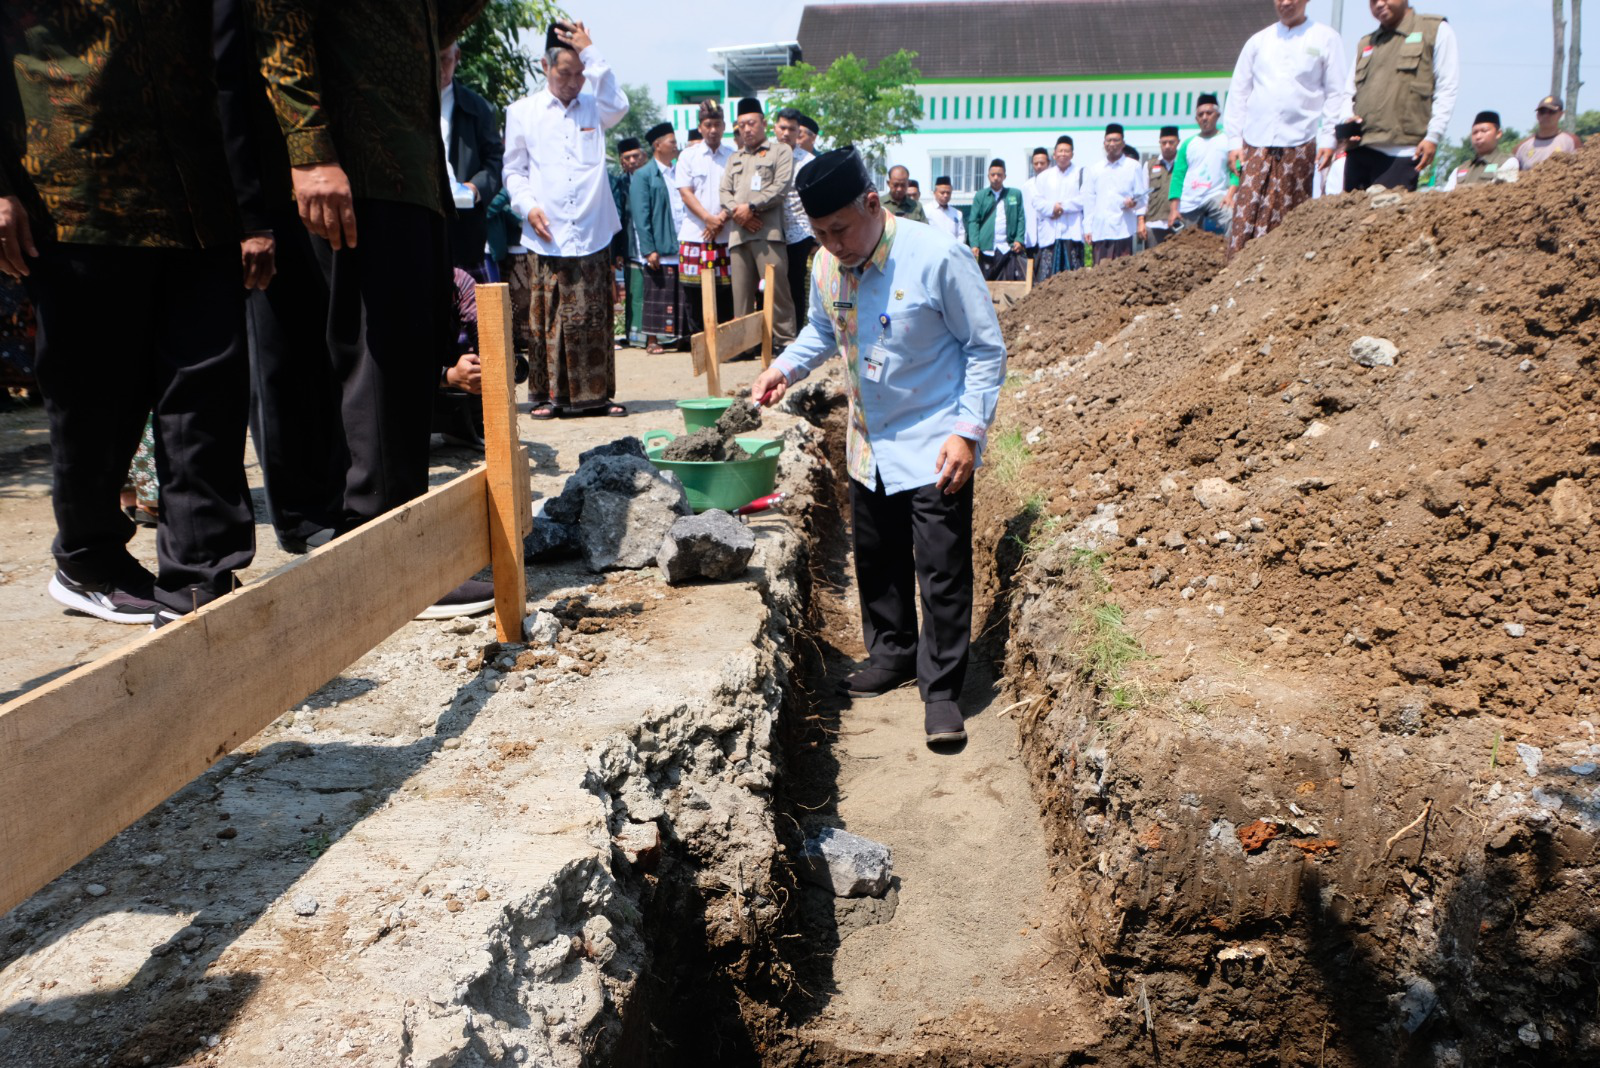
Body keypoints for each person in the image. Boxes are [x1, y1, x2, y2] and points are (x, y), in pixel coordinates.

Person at [2, 0, 257, 626]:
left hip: (198, 191)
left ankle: (199, 580)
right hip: (75, 187)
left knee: (208, 393)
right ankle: (88, 560)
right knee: (96, 400)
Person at [747, 148, 1006, 745]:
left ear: (872, 203)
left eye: (839, 229)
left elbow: (985, 349)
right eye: (820, 233)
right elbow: (820, 329)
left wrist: (969, 431)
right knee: (877, 556)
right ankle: (890, 654)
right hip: (868, 440)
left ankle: (940, 690)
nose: (832, 244)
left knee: (939, 570)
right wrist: (784, 369)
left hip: (936, 440)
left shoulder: (936, 255)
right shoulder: (824, 265)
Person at [252, 0, 496, 617]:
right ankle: (392, 562)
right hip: (355, 170)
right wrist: (309, 149)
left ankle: (382, 540)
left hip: (411, 172)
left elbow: (439, 20)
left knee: (406, 355)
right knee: (378, 357)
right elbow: (280, 24)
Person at [503, 21, 629, 419]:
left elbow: (619, 103)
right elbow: (514, 171)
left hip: (592, 227)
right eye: (564, 73)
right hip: (547, 230)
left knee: (594, 314)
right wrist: (527, 205)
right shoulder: (522, 112)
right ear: (545, 66)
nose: (574, 82)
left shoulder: (596, 106)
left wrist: (591, 53)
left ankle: (598, 396)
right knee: (550, 314)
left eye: (579, 73)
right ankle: (545, 396)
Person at [1223, 0, 1349, 259]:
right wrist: (1234, 141)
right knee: (1245, 219)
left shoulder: (1326, 38)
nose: (1286, 3)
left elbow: (1337, 93)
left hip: (1301, 146)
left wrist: (1329, 138)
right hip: (1256, 145)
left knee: (1291, 223)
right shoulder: (1258, 42)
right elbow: (1238, 93)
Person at [1341, 0, 1459, 193]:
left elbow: (1447, 87)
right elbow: (1349, 92)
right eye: (1372, 1)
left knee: (1387, 220)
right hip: (1361, 150)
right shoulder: (1366, 43)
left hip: (1402, 152)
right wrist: (1347, 120)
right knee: (1351, 220)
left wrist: (1433, 136)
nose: (1379, 4)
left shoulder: (1434, 30)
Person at [720, 97, 797, 349]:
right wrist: (739, 212)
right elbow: (723, 192)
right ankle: (745, 345)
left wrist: (750, 208)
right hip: (739, 236)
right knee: (740, 295)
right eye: (741, 125)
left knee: (776, 291)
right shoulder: (734, 158)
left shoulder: (780, 151)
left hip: (768, 235)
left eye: (751, 123)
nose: (746, 129)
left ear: (764, 123)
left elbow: (781, 187)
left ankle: (784, 341)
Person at [439, 40, 504, 278]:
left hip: (463, 226)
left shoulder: (479, 108)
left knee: (465, 310)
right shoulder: (403, 106)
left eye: (444, 59)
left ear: (457, 56)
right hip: (416, 221)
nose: (438, 68)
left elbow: (495, 160)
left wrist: (475, 187)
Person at [676, 99, 734, 337]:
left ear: (724, 126)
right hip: (695, 235)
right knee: (694, 292)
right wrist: (708, 219)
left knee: (726, 292)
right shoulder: (688, 156)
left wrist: (719, 219)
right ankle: (699, 343)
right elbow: (685, 192)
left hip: (726, 235)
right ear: (700, 127)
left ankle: (725, 345)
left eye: (717, 124)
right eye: (708, 124)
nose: (712, 130)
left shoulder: (734, 155)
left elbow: (739, 192)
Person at [630, 123, 690, 353]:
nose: (676, 146)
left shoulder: (678, 172)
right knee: (655, 293)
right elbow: (640, 214)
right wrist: (648, 249)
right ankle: (652, 340)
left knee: (680, 294)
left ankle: (681, 337)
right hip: (658, 245)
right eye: (672, 142)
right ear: (657, 145)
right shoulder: (644, 175)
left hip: (679, 240)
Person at [774, 107, 817, 325]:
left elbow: (813, 199)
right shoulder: (765, 155)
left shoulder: (807, 160)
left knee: (795, 284)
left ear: (798, 131)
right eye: (782, 127)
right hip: (770, 231)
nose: (786, 133)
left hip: (799, 232)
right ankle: (773, 335)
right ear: (775, 128)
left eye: (792, 129)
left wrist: (816, 237)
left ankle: (796, 333)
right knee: (772, 285)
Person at [1169, 94, 1231, 235]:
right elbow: (1178, 177)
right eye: (1200, 114)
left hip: (1217, 195)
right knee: (1182, 238)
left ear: (1217, 115)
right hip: (1190, 199)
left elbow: (1236, 172)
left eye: (1209, 113)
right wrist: (1173, 209)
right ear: (1196, 119)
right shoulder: (1188, 144)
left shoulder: (1227, 140)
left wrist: (1231, 196)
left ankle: (1232, 255)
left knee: (1233, 218)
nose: (1204, 117)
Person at [1083, 124, 1146, 263]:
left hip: (1123, 229)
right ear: (1104, 143)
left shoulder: (1133, 166)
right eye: (1109, 140)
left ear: (1123, 143)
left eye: (1116, 140)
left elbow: (1142, 198)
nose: (1112, 144)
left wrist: (1133, 203)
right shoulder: (1095, 169)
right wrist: (1087, 227)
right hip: (1101, 230)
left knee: (1123, 273)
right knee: (1101, 273)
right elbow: (1089, 200)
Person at [611, 136, 646, 348]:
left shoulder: (652, 178)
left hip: (651, 245)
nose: (632, 160)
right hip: (629, 245)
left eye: (635, 156)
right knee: (632, 291)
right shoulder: (619, 184)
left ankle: (650, 334)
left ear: (642, 156)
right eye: (627, 157)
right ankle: (632, 335)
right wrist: (617, 251)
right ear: (621, 161)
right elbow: (617, 218)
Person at [1034, 135, 1086, 278]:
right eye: (1060, 151)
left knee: (1074, 276)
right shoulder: (1044, 176)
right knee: (1047, 278)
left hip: (1072, 232)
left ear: (1072, 154)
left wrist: (1062, 207)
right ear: (1054, 154)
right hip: (1051, 233)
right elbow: (1037, 201)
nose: (1063, 154)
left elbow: (1084, 199)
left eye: (1067, 151)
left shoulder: (1080, 174)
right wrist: (1052, 208)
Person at [967, 159, 1027, 280]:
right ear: (988, 176)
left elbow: (1021, 218)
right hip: (986, 249)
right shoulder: (981, 195)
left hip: (1007, 248)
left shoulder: (1014, 194)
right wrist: (974, 244)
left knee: (1008, 286)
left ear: (1005, 176)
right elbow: (973, 221)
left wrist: (1019, 239)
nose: (996, 178)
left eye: (999, 175)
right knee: (985, 286)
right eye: (992, 175)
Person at [1443, 111, 1521, 191]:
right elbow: (1446, 197)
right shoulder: (1459, 169)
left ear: (1498, 133)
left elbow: (1502, 193)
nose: (1478, 136)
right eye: (1474, 132)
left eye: (1484, 131)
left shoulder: (1508, 162)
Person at [1514, 96, 1584, 171]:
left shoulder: (1571, 142)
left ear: (1561, 114)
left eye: (1551, 112)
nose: (1546, 116)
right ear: (1537, 115)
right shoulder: (1522, 147)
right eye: (1542, 112)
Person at [1142, 127, 1180, 250]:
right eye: (1164, 143)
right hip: (1154, 222)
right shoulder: (1150, 165)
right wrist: (1141, 221)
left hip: (1178, 223)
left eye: (1171, 142)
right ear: (1160, 143)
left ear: (1178, 142)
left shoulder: (1184, 164)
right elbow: (1144, 196)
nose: (1167, 146)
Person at [1022, 147, 1049, 269]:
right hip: (1031, 239)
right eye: (1036, 163)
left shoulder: (1053, 184)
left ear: (1048, 163)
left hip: (1049, 238)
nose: (1039, 166)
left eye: (1042, 163)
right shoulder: (1027, 186)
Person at [926, 176, 966, 241]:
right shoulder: (926, 210)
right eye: (942, 193)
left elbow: (961, 234)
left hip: (953, 249)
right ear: (935, 193)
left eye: (948, 193)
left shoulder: (957, 213)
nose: (945, 195)